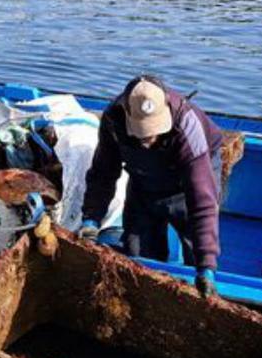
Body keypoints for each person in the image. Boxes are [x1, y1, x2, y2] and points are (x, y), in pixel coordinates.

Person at [79, 75, 223, 298]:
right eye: (143, 131)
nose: (150, 137)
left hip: (186, 181)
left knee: (196, 248)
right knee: (138, 257)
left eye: (156, 130)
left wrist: (207, 266)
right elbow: (103, 173)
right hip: (143, 179)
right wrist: (91, 219)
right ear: (127, 114)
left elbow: (203, 202)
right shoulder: (113, 120)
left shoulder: (187, 125)